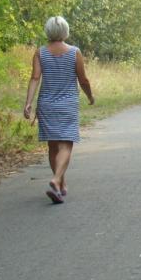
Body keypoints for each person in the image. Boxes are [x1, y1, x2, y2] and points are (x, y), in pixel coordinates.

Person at [24, 16, 95, 204]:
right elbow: (83, 80)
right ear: (65, 31)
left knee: (53, 146)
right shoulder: (74, 52)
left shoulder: (40, 52)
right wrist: (90, 96)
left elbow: (34, 78)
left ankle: (60, 187)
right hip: (67, 105)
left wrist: (28, 103)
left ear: (48, 31)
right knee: (66, 145)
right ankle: (56, 180)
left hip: (46, 104)